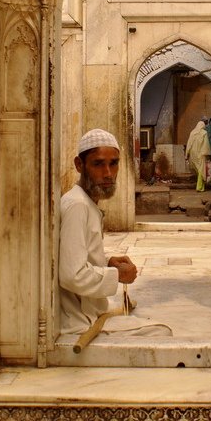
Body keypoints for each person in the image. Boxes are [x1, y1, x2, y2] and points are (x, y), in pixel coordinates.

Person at [59, 128, 171, 337]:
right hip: (81, 321)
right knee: (161, 332)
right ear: (79, 165)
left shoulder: (86, 203)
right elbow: (71, 276)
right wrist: (116, 275)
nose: (108, 173)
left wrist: (107, 262)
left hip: (91, 309)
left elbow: (79, 256)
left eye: (114, 163)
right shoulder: (77, 206)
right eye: (98, 164)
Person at [185, 120, 211, 192]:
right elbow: (206, 144)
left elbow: (189, 144)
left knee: (198, 170)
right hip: (201, 154)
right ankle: (199, 187)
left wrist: (187, 154)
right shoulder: (204, 133)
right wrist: (207, 154)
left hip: (193, 154)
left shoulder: (192, 133)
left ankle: (201, 186)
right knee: (201, 170)